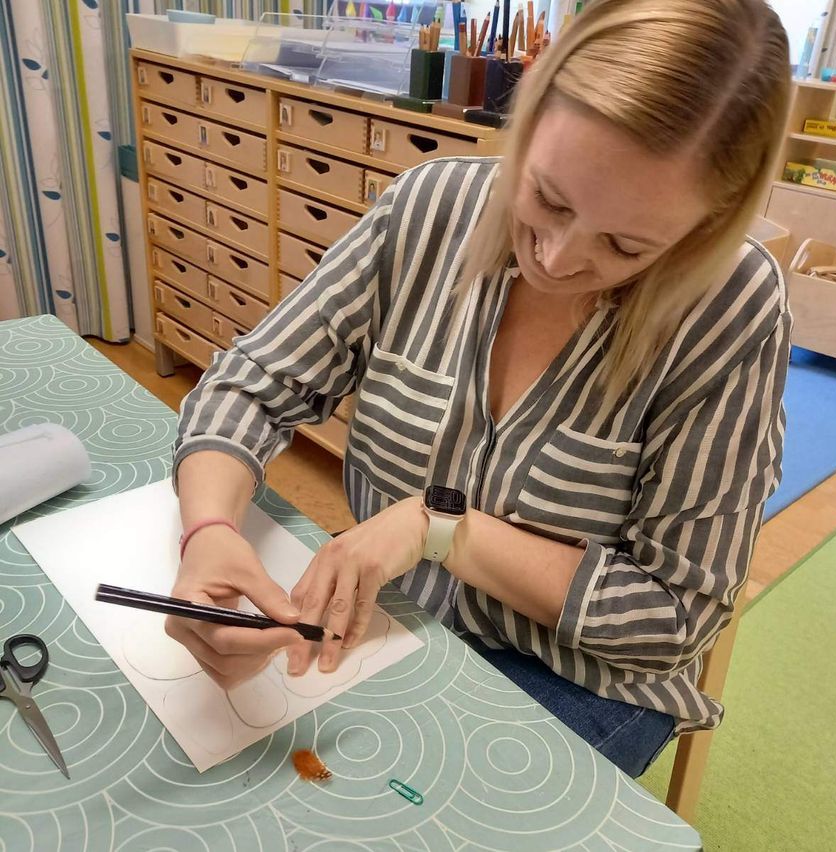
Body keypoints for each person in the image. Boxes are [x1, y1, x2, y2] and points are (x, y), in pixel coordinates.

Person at [167, 0, 792, 778]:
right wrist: (210, 533)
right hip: (398, 621)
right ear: (527, 122)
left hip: (582, 677)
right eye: (549, 199)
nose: (558, 260)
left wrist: (443, 531)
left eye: (627, 245)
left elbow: (675, 616)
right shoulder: (430, 209)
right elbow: (252, 387)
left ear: (707, 227)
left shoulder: (730, 308)